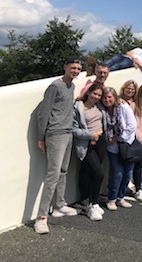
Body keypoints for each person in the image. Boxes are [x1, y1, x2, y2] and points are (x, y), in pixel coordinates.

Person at [34, 58, 82, 234]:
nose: (76, 71)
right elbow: (43, 112)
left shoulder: (72, 87)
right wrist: (41, 137)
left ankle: (59, 205)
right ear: (65, 67)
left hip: (68, 133)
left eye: (78, 69)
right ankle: (41, 217)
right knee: (52, 175)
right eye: (73, 68)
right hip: (55, 134)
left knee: (63, 170)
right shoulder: (55, 86)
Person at [73, 83, 106, 221]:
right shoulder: (78, 108)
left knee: (89, 172)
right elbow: (73, 129)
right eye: (94, 94)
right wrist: (90, 134)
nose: (96, 97)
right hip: (87, 144)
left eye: (99, 95)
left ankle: (86, 200)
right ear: (88, 93)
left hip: (101, 142)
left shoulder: (99, 106)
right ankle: (93, 204)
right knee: (99, 173)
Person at [102, 87, 137, 211]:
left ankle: (121, 197)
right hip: (112, 148)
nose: (107, 100)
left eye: (110, 97)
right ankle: (112, 199)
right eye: (105, 97)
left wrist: (119, 138)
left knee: (127, 173)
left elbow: (132, 125)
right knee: (117, 173)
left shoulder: (123, 107)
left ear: (115, 97)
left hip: (127, 145)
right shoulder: (103, 110)